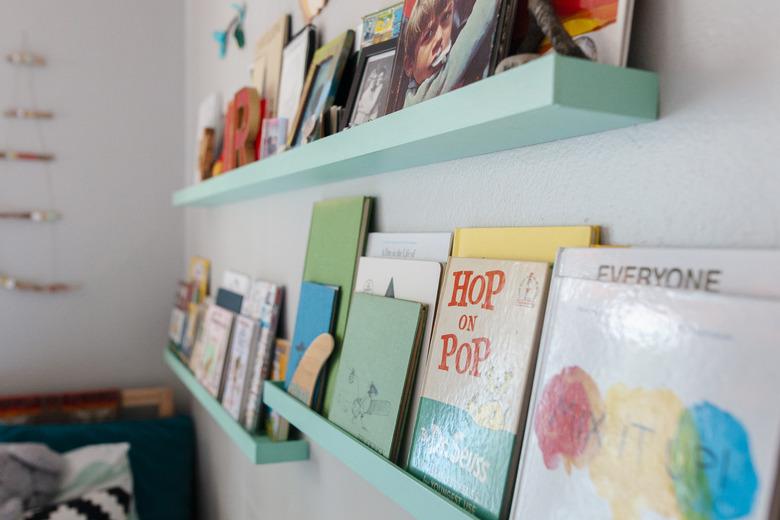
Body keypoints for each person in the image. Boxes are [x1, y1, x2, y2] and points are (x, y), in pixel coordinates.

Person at [399, 0, 499, 108]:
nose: (439, 37)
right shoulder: (416, 100)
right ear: (409, 65)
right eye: (428, 35)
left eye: (445, 17)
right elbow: (467, 42)